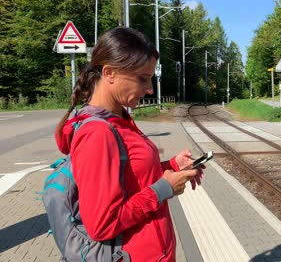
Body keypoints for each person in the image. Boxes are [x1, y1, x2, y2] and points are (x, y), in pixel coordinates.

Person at [55, 27, 203, 261]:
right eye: (142, 78)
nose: (150, 89)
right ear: (109, 72)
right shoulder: (97, 133)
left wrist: (172, 165)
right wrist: (163, 189)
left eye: (151, 79)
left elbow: (130, 177)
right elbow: (102, 223)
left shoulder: (119, 120)